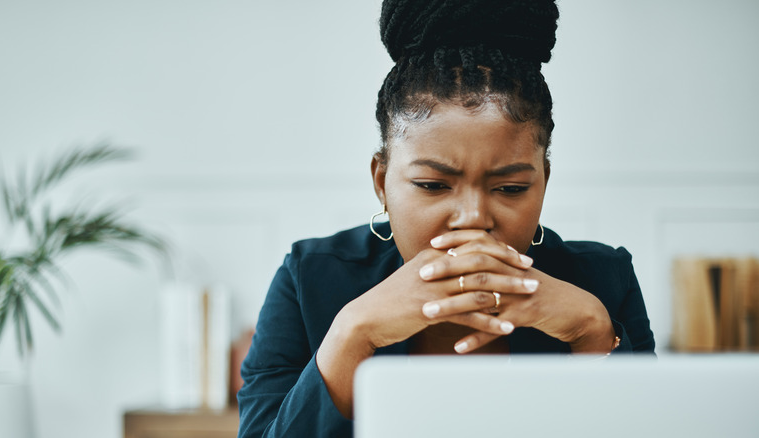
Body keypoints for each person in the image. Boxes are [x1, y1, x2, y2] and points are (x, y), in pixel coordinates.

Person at [237, 0, 655, 436]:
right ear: (382, 182)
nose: (473, 220)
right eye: (433, 185)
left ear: (543, 183)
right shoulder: (309, 280)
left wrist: (592, 332)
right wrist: (351, 334)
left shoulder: (604, 282)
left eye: (510, 189)